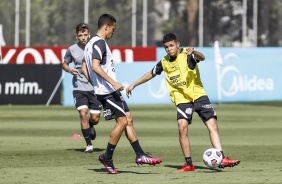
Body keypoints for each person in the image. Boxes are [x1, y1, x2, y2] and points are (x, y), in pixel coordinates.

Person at [126, 33, 240, 172]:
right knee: (182, 127)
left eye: (171, 45)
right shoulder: (164, 62)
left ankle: (222, 158)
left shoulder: (187, 54)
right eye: (166, 47)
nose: (169, 49)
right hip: (182, 99)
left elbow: (202, 57)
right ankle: (189, 164)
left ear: (178, 44)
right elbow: (151, 73)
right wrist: (133, 85)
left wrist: (195, 52)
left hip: (198, 95)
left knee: (212, 125)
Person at [82, 14, 162, 174]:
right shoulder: (99, 43)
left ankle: (140, 154)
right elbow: (95, 66)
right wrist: (111, 83)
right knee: (123, 122)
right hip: (107, 92)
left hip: (107, 90)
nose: (113, 32)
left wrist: (95, 83)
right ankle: (107, 157)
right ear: (106, 27)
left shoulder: (89, 44)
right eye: (113, 29)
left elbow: (85, 67)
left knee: (128, 118)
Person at [62, 23, 102, 153]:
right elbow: (65, 64)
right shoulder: (72, 49)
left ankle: (91, 126)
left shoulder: (95, 47)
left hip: (95, 88)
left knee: (95, 118)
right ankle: (89, 145)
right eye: (80, 35)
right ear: (76, 36)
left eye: (85, 35)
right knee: (83, 114)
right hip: (79, 87)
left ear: (89, 35)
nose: (83, 37)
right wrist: (69, 70)